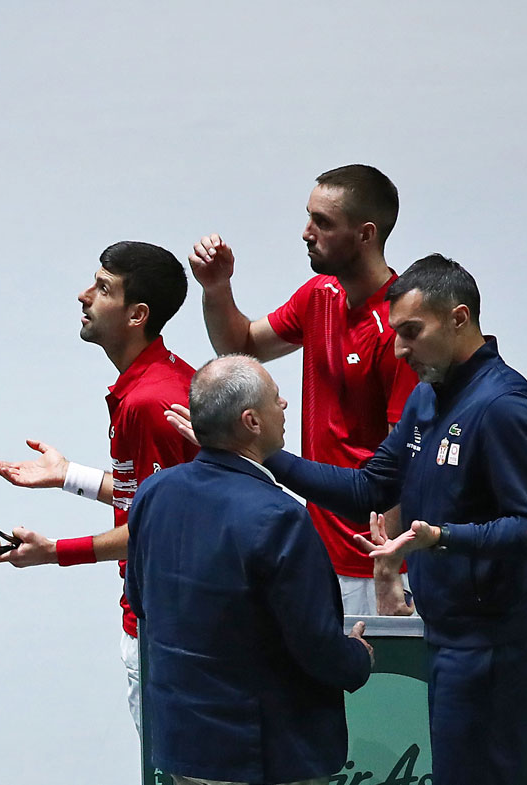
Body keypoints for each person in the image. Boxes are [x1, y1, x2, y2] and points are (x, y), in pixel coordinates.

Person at [262, 254, 527, 785]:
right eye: (396, 333)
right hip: (445, 640)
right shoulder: (426, 400)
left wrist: (442, 537)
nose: (399, 349)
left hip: (497, 651)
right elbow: (367, 489)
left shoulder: (505, 407)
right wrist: (265, 457)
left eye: (412, 332)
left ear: (459, 318)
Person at [184, 165, 419, 616]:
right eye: (309, 217)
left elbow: (405, 464)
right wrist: (217, 289)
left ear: (366, 234)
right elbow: (241, 346)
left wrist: (387, 565)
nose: (307, 233)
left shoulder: (398, 329)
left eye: (323, 223)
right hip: (317, 548)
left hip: (368, 562)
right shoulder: (319, 295)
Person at [127, 354, 372, 785]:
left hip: (183, 745)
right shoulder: (278, 517)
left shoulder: (153, 494)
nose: (285, 407)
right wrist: (356, 658)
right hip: (261, 753)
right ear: (251, 422)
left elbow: (143, 603)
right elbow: (313, 643)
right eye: (276, 400)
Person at [0, 241, 198, 731]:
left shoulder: (150, 404)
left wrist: (53, 551)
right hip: (182, 622)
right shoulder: (168, 379)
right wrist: (69, 477)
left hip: (167, 629)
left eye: (103, 289)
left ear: (136, 315)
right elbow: (162, 497)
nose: (84, 296)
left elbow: (154, 530)